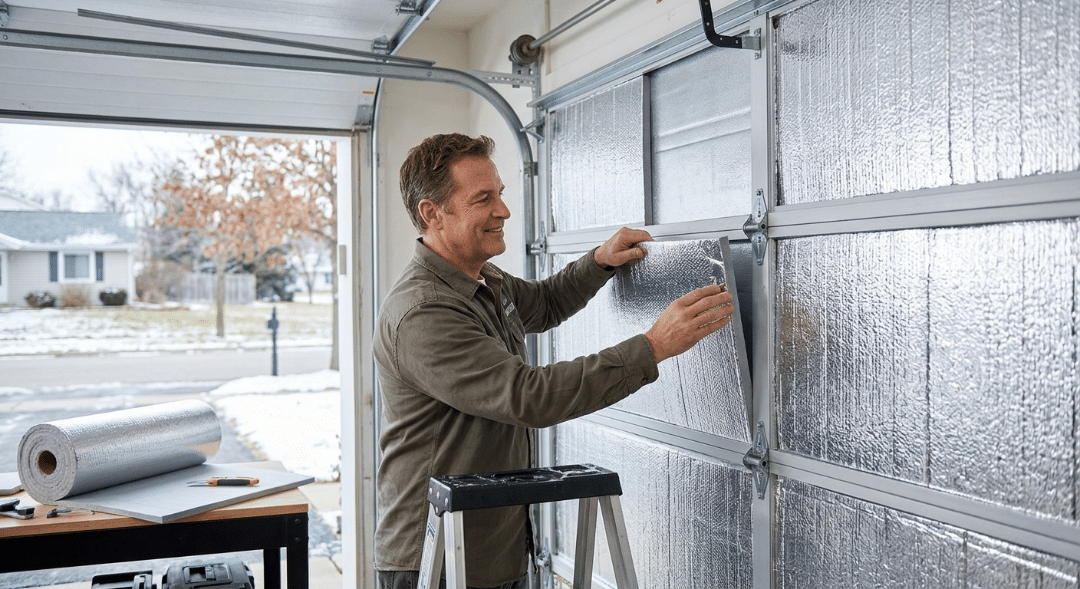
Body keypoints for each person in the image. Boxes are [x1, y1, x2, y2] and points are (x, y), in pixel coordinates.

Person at [373, 133, 734, 589]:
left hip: (492, 544)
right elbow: (529, 396)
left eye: (500, 193)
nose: (503, 210)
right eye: (483, 199)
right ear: (432, 213)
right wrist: (653, 347)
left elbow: (543, 303)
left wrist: (600, 262)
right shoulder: (424, 312)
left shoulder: (483, 278)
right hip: (437, 558)